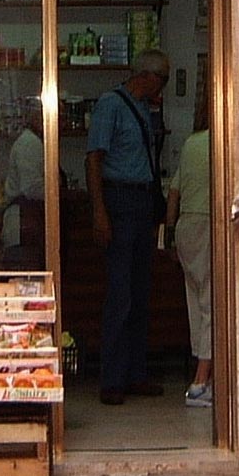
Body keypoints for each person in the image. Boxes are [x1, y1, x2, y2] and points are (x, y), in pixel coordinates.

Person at [86, 49, 170, 405]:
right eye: (162, 80)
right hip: (119, 200)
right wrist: (100, 212)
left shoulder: (141, 109)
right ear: (147, 77)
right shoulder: (111, 105)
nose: (162, 88)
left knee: (139, 291)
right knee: (120, 293)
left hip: (140, 201)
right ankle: (112, 379)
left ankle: (135, 373)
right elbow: (94, 158)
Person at [166, 115, 213, 407]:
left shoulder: (191, 143)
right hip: (209, 224)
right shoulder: (223, 144)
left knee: (195, 302)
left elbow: (174, 191)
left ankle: (204, 373)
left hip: (185, 226)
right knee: (211, 304)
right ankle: (200, 381)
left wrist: (170, 235)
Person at [0, 110, 45, 265]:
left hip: (28, 227)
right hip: (25, 228)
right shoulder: (30, 144)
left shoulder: (34, 142)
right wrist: (58, 193)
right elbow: (32, 188)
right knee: (24, 283)